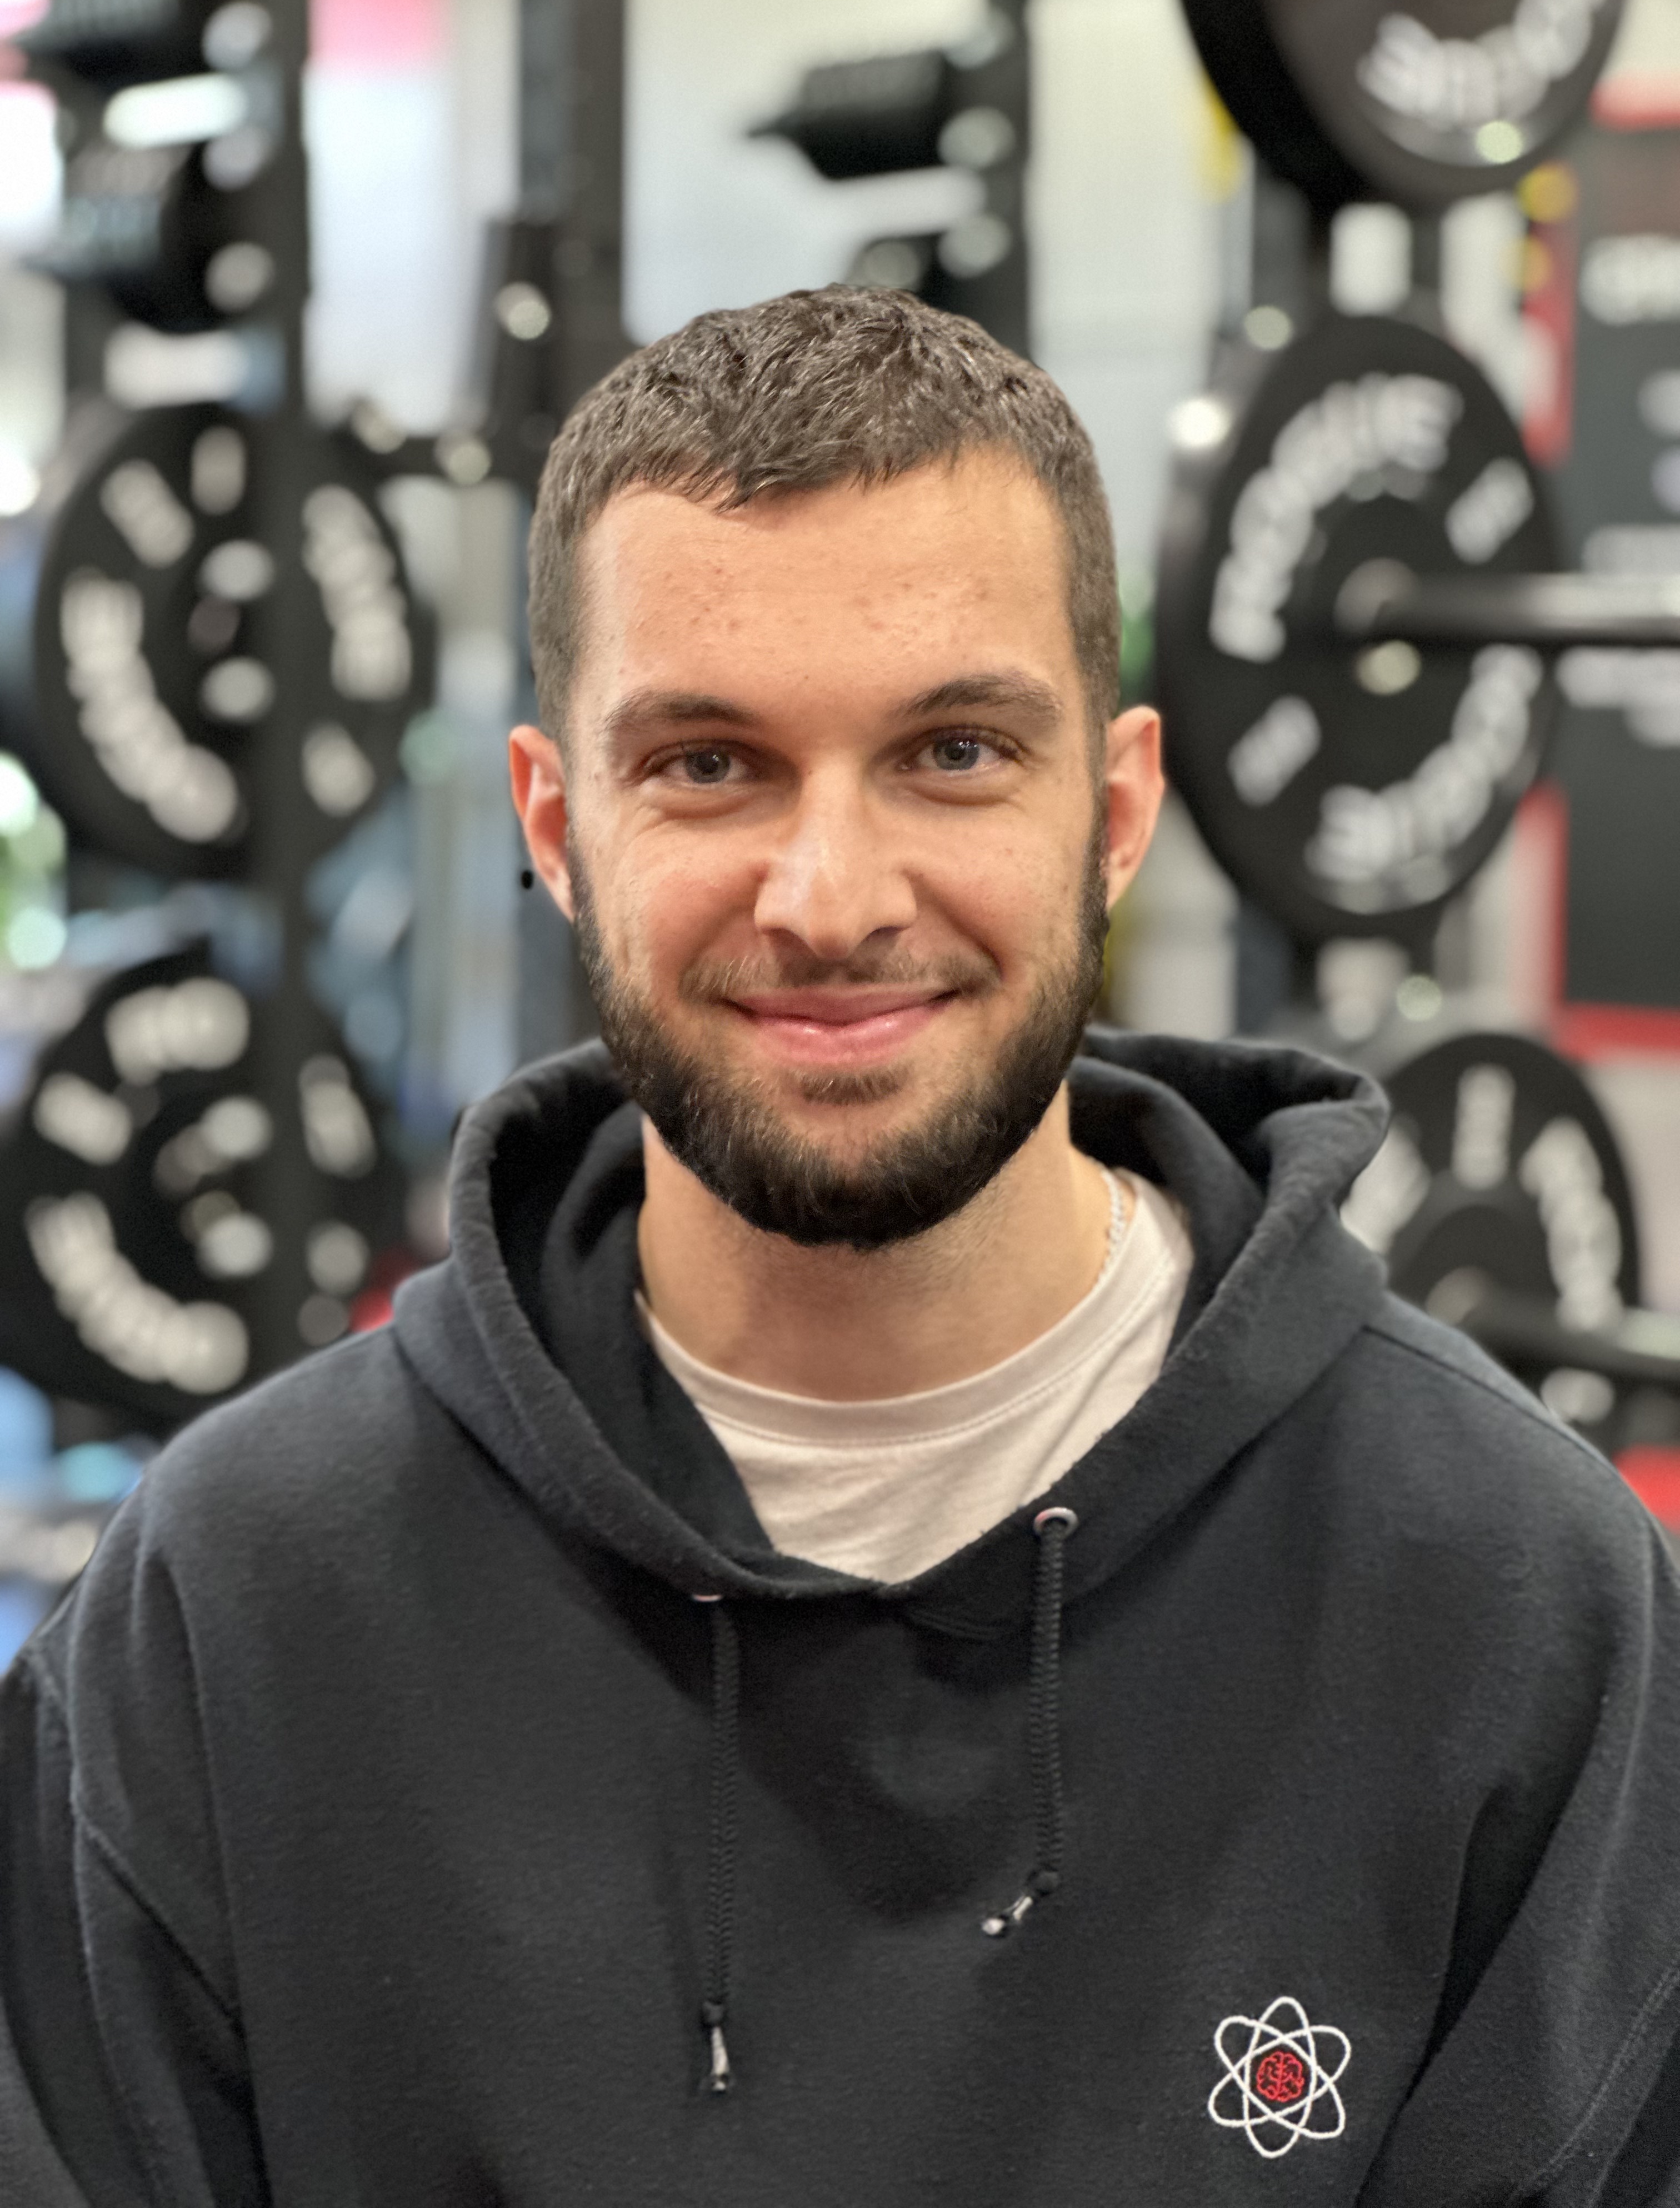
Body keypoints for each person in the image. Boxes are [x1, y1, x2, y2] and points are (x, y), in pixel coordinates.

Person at [3, 286, 1679, 2207]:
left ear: (1116, 809)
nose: (831, 898)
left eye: (954, 752)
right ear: (556, 824)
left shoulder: (1520, 1610)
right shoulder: (232, 1613)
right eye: (708, 763)